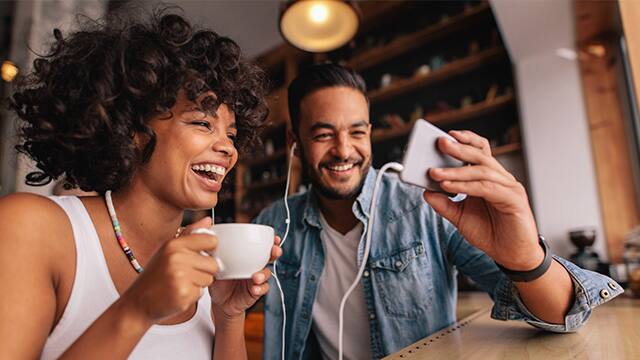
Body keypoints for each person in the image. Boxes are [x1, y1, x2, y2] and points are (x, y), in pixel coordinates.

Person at [253, 63, 623, 360]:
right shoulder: (272, 225)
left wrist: (525, 256)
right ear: (295, 144)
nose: (344, 150)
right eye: (322, 135)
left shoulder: (425, 206)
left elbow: (560, 318)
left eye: (357, 132)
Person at [0, 8, 281, 359]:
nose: (228, 148)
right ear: (132, 131)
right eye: (203, 124)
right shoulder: (31, 227)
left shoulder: (203, 261)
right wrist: (138, 308)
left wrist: (228, 315)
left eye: (232, 134)